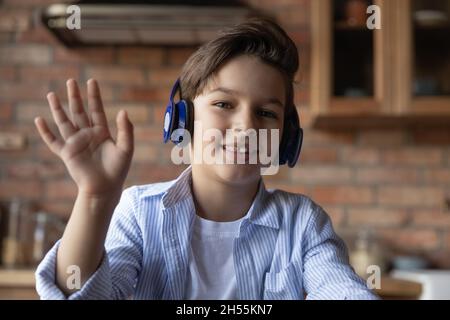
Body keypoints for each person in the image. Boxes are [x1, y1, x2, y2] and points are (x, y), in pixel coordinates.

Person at [34, 18, 378, 300]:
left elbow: (343, 291)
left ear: (285, 138)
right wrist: (95, 197)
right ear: (183, 120)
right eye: (224, 104)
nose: (246, 126)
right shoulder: (139, 212)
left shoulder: (302, 223)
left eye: (265, 112)